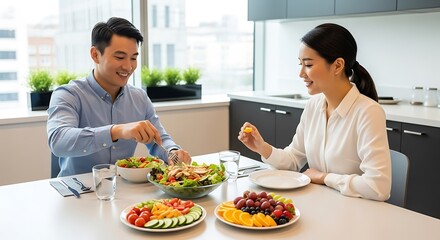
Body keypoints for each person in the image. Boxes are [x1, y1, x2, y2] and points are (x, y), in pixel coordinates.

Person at [238, 23, 391, 201]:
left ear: (337, 65)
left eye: (308, 64)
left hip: (355, 213)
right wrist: (262, 148)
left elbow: (378, 187)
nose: (301, 73)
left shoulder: (368, 112)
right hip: (321, 204)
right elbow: (294, 161)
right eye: (300, 64)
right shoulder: (313, 105)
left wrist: (324, 177)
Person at [47, 17, 191, 177]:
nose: (128, 67)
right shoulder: (68, 94)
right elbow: (58, 141)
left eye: (134, 58)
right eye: (120, 57)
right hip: (76, 193)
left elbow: (159, 140)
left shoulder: (139, 98)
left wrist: (173, 152)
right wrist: (116, 131)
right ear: (95, 55)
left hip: (123, 190)